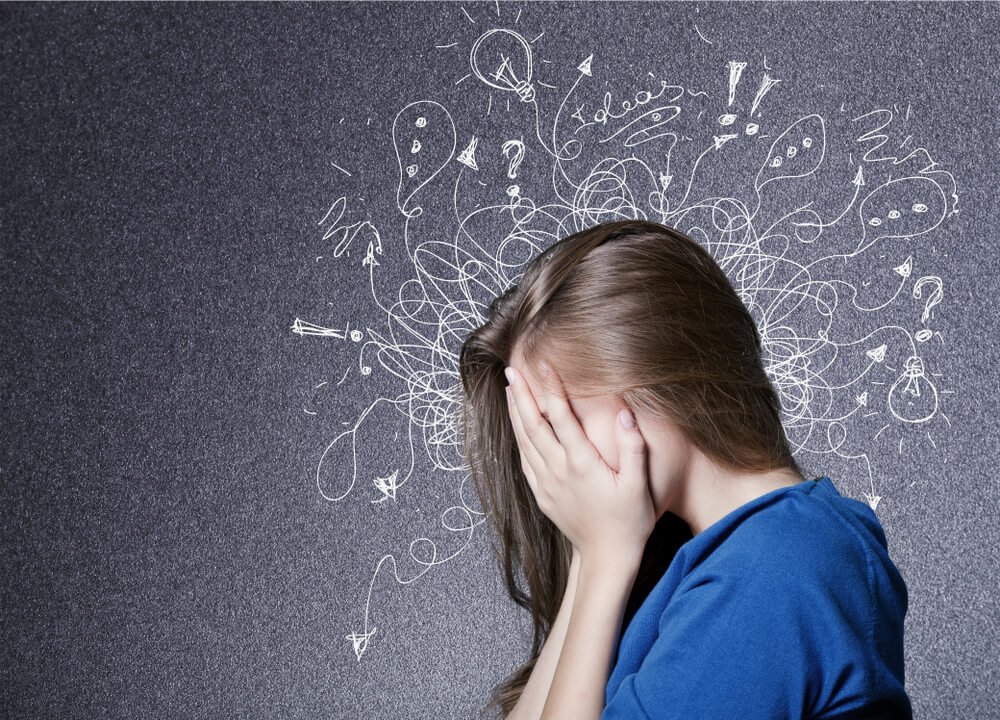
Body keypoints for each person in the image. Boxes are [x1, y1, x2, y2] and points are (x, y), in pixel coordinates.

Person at [458, 220, 912, 719]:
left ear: (648, 376)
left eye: (556, 422)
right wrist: (595, 557)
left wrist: (605, 557)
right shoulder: (716, 561)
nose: (550, 462)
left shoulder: (775, 567)